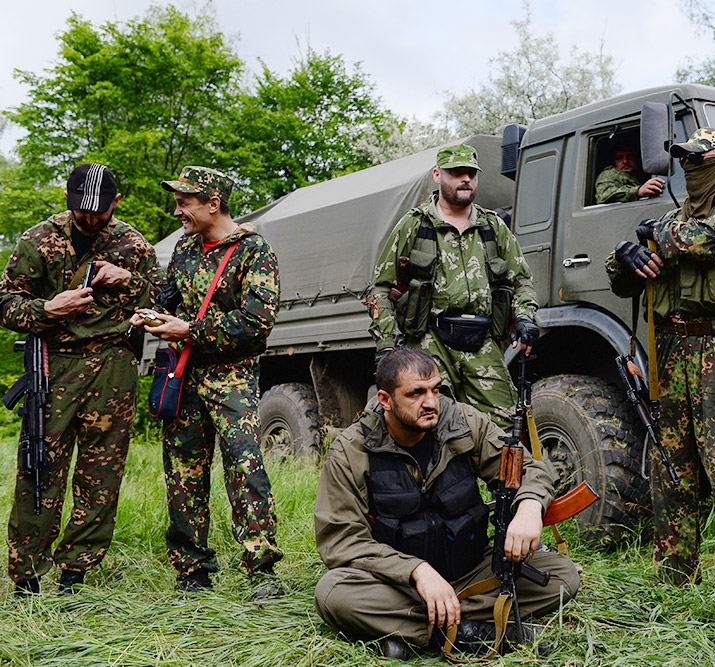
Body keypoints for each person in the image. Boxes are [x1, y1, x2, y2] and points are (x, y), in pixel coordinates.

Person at [314, 347, 580, 659]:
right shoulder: (352, 451)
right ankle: (473, 631)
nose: (430, 402)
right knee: (332, 593)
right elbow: (342, 539)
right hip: (400, 585)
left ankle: (425, 630)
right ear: (385, 400)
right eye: (416, 393)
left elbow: (528, 470)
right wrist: (416, 571)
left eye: (435, 390)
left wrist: (530, 506)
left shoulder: (464, 424)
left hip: (469, 568)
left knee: (562, 576)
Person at [606, 128, 715, 600]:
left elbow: (691, 241)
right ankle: (673, 582)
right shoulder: (673, 218)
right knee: (669, 466)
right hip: (672, 352)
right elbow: (620, 281)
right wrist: (625, 256)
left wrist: (648, 234)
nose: (690, 168)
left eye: (701, 159)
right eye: (684, 160)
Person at [0, 163, 163, 596]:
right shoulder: (38, 240)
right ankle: (27, 576)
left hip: (113, 365)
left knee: (101, 473)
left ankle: (76, 572)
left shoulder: (134, 244)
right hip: (54, 363)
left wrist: (128, 279)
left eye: (99, 211)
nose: (89, 218)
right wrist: (47, 310)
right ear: (67, 198)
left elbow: (165, 301)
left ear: (116, 203)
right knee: (39, 467)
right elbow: (4, 302)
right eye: (80, 209)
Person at [129, 166, 283, 597]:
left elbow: (256, 323)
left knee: (244, 469)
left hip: (231, 379)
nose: (177, 210)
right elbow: (169, 296)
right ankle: (192, 571)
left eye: (185, 202)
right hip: (184, 375)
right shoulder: (183, 249)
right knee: (182, 474)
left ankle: (262, 569)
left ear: (213, 203)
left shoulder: (256, 252)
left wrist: (189, 331)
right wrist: (152, 315)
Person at [368, 144, 540, 430]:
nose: (465, 179)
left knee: (506, 426)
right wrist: (386, 346)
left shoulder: (493, 227)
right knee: (429, 426)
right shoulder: (414, 225)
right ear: (437, 175)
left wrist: (524, 316)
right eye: (456, 172)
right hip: (429, 340)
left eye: (471, 173)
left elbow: (521, 280)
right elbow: (381, 290)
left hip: (482, 341)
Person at [595, 144, 665, 204]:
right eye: (619, 158)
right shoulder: (610, 174)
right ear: (614, 162)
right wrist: (638, 191)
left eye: (629, 156)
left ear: (637, 159)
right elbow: (604, 195)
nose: (625, 161)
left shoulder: (639, 176)